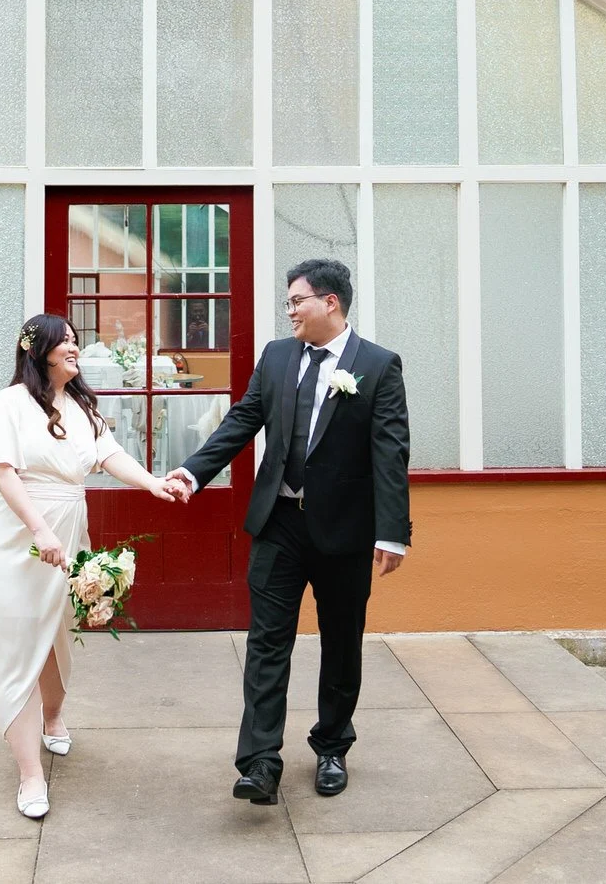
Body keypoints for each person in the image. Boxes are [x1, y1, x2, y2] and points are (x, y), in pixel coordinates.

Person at [165, 257, 411, 805]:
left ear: (330, 302)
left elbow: (391, 453)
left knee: (341, 643)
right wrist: (193, 471)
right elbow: (243, 419)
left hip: (345, 531)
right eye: (288, 303)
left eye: (297, 300)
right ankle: (260, 761)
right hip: (278, 522)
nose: (289, 311)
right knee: (267, 641)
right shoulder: (278, 357)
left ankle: (331, 746)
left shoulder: (378, 365)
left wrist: (392, 532)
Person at [0, 312, 180, 820]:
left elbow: (110, 456)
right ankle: (29, 776)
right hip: (15, 544)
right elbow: (3, 472)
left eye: (75, 340)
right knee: (19, 651)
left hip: (68, 541)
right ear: (37, 351)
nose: (74, 347)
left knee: (58, 638)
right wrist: (39, 529)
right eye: (64, 341)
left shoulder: (81, 406)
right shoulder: (8, 404)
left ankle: (54, 718)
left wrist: (153, 483)